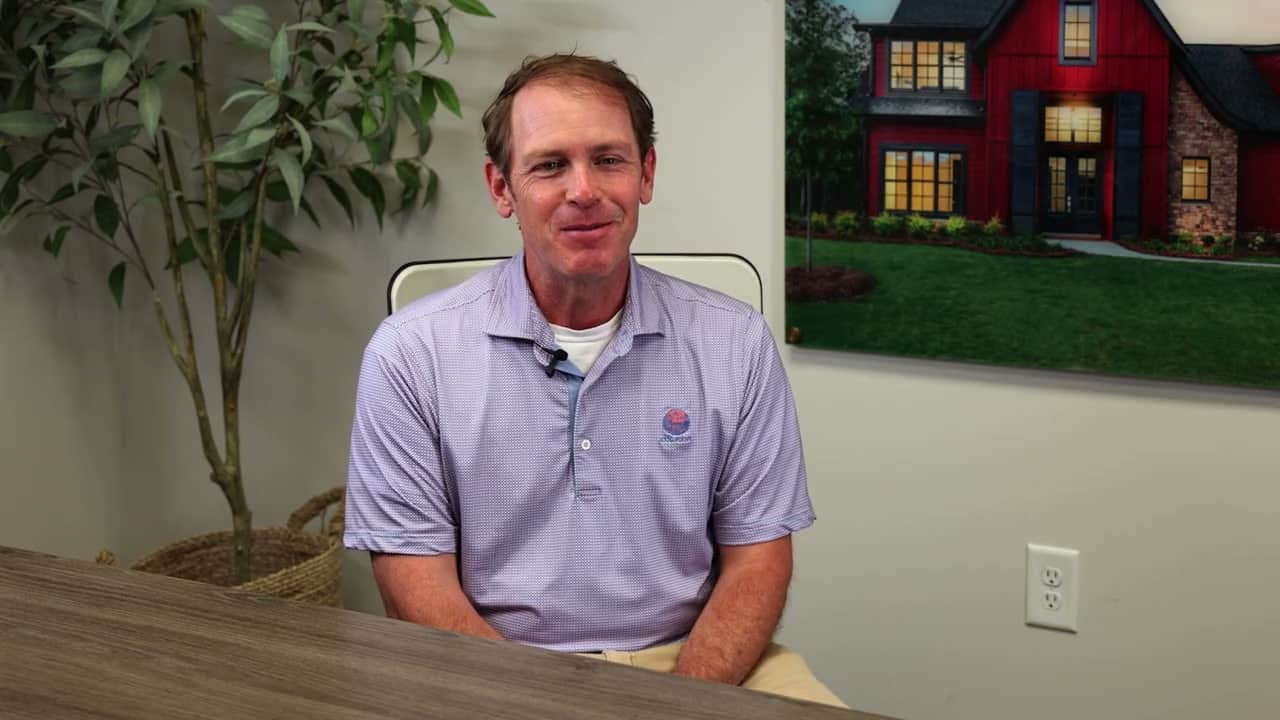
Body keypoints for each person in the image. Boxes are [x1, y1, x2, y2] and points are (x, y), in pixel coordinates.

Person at [344, 53, 844, 708]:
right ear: (502, 189)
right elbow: (415, 581)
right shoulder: (409, 355)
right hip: (488, 665)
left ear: (647, 174)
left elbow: (758, 562)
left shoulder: (735, 343)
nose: (585, 189)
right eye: (550, 165)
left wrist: (680, 704)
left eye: (609, 159)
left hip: (692, 658)